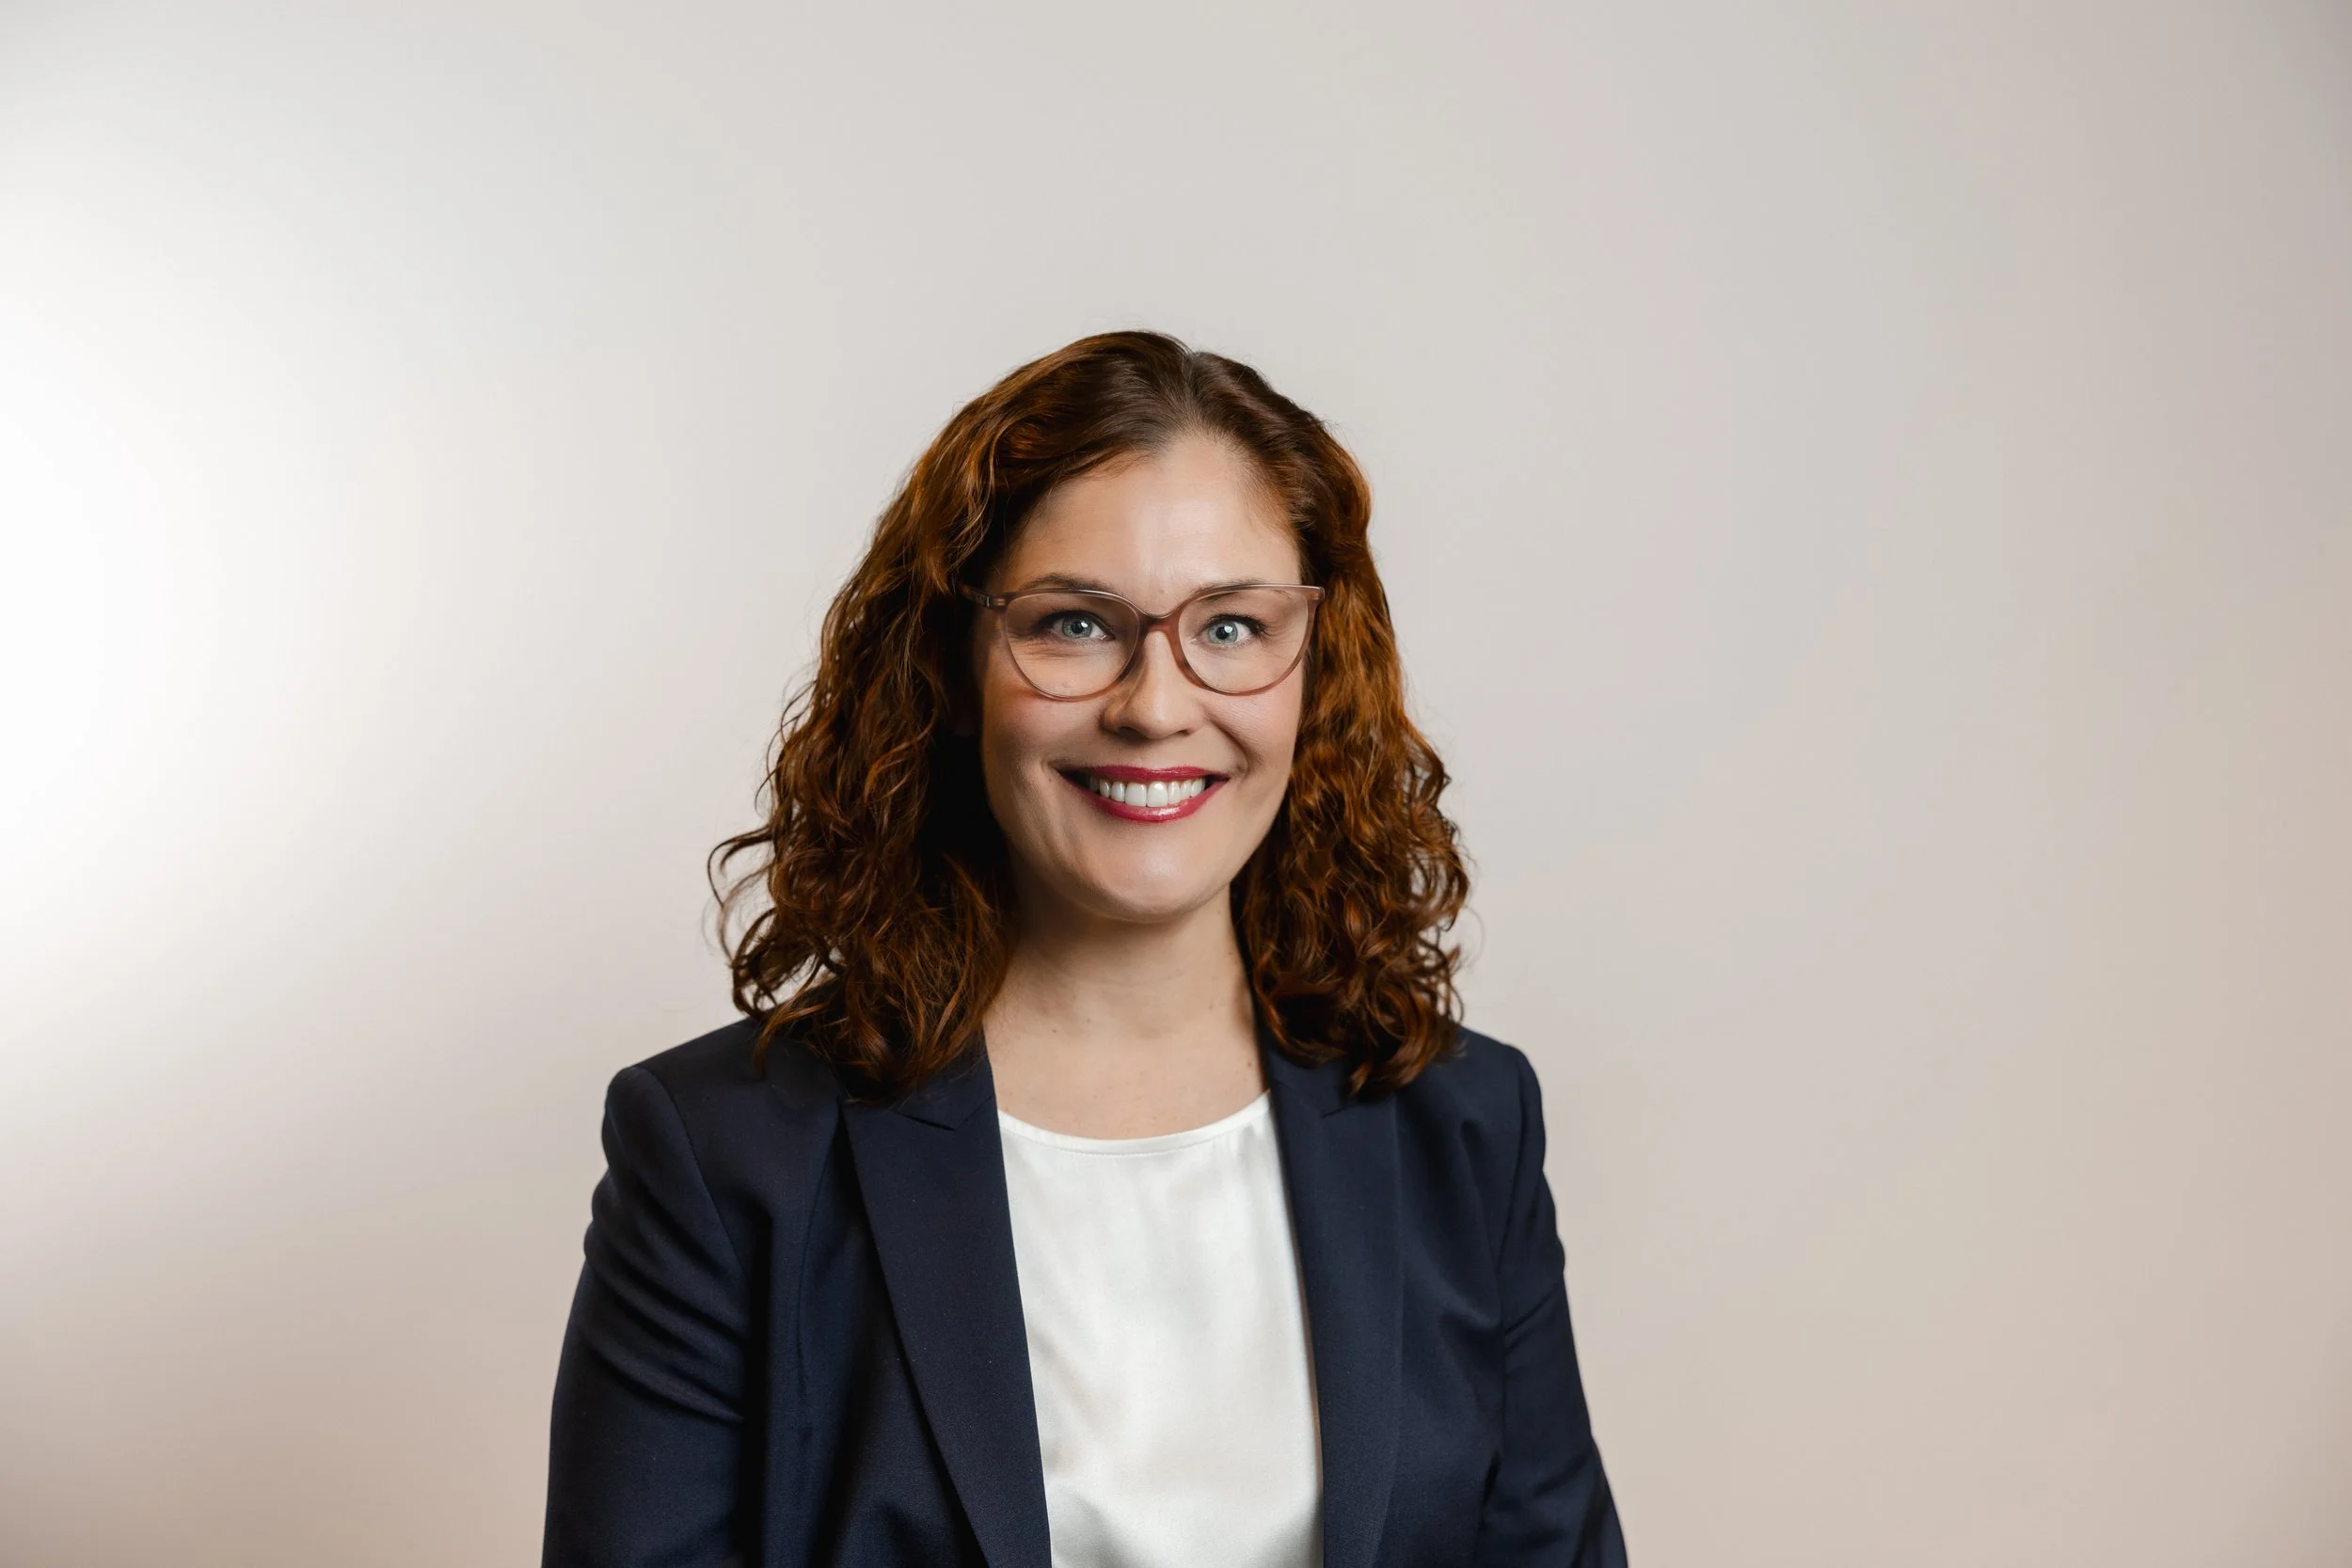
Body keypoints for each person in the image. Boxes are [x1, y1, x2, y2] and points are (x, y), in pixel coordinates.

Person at [542, 331, 1628, 1568]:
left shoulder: (1468, 1125)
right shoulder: (724, 1155)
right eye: (1072, 623)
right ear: (952, 668)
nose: (1156, 705)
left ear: (1317, 668)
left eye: (1230, 627)